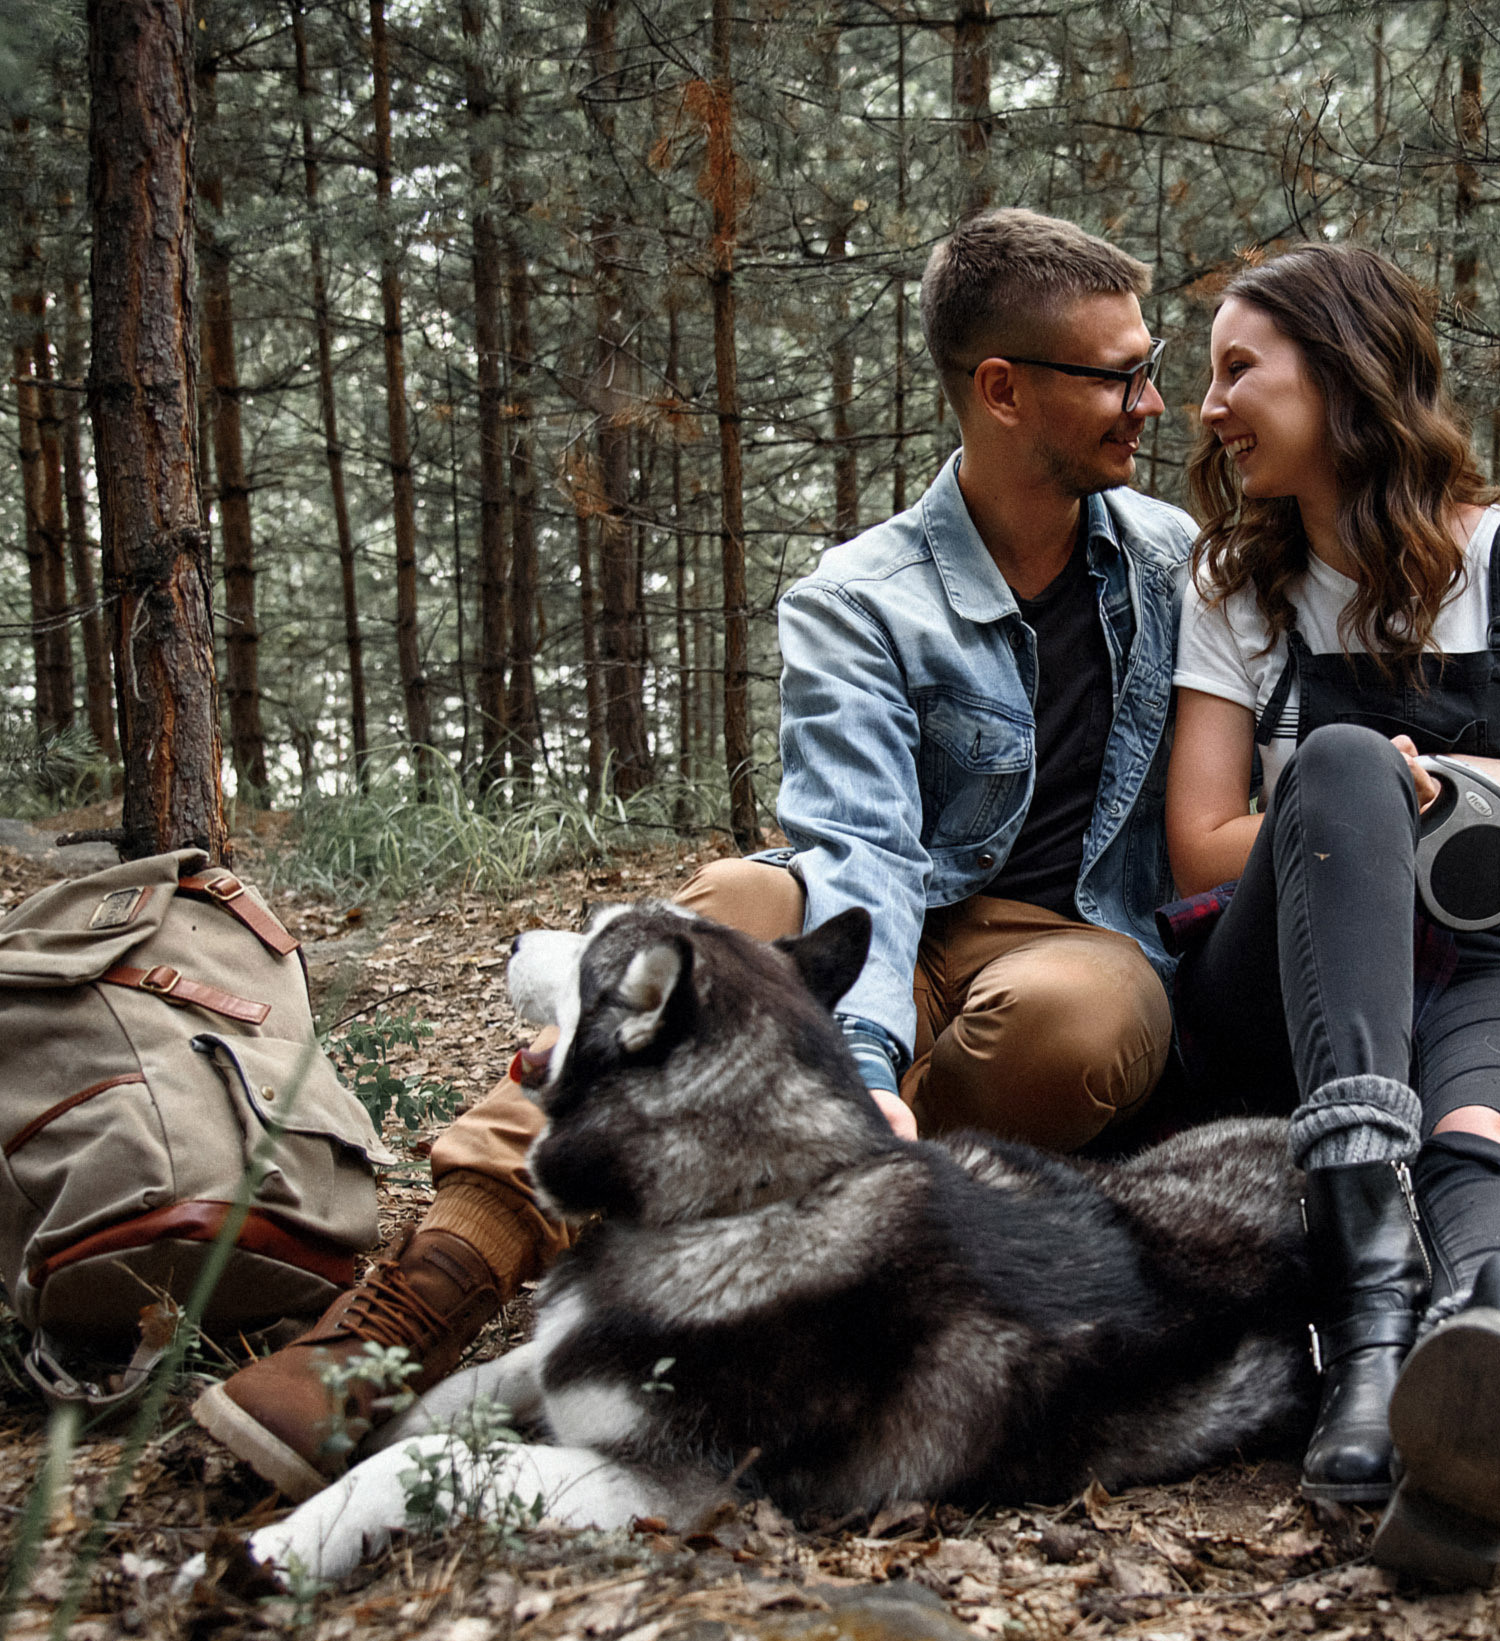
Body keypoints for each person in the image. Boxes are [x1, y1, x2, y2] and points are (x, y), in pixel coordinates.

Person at [193, 209, 1196, 1499]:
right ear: (1002, 390)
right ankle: (409, 1313)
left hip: (1070, 939)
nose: (1151, 400)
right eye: (1118, 374)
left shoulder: (1168, 563)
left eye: (1149, 362)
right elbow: (861, 848)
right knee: (719, 903)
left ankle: (762, 1185)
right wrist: (870, 1054)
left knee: (1078, 1016)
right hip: (876, 914)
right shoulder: (861, 597)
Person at [1164, 245, 1500, 1587]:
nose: (1207, 405)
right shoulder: (1236, 588)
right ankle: (1369, 1320)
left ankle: (1496, 1352)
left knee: (1484, 1141)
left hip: (1488, 961)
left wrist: (1471, 787)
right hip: (1280, 985)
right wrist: (1377, 785)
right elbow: (1202, 839)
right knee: (1344, 761)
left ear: (1345, 374)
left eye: (1239, 369)